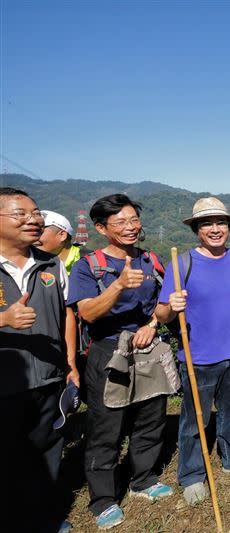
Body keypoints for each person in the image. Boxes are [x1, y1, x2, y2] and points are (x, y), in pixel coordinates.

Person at [67, 194, 173, 529]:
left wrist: (159, 319)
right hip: (109, 351)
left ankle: (142, 479)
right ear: (101, 228)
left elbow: (161, 311)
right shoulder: (90, 265)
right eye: (120, 222)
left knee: (151, 417)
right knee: (106, 426)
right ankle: (102, 499)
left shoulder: (150, 260)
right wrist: (116, 287)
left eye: (133, 220)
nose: (130, 227)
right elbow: (85, 312)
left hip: (148, 347)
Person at [155, 197, 230, 505]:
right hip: (198, 358)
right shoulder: (182, 262)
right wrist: (171, 308)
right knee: (193, 421)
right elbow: (162, 314)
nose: (215, 229)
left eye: (221, 223)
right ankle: (191, 476)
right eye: (207, 224)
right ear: (197, 229)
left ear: (228, 226)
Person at [0, 188, 77, 533]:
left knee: (47, 452)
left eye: (36, 214)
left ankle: (44, 518)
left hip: (48, 377)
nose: (34, 220)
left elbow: (67, 316)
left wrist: (70, 363)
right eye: (21, 214)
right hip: (5, 385)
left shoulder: (51, 263)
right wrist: (3, 319)